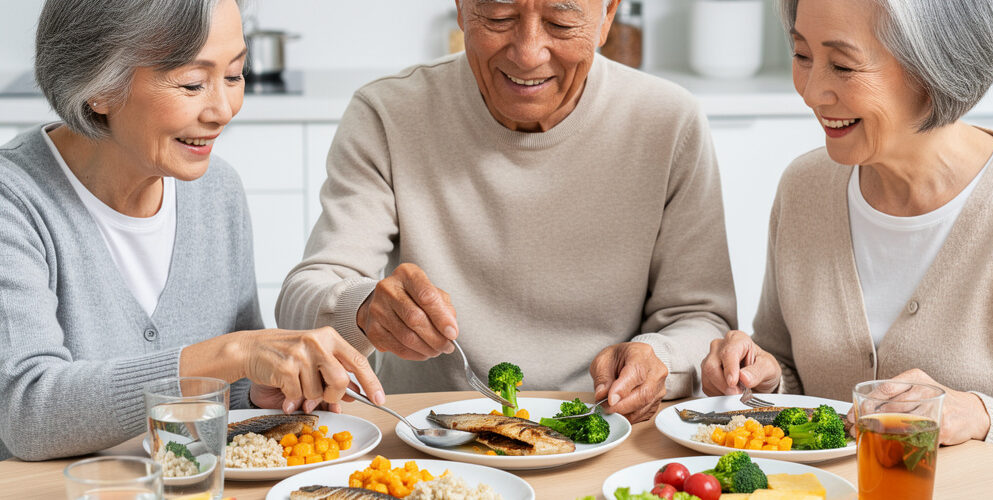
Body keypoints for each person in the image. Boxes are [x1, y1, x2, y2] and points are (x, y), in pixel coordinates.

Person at [277, 0, 736, 423]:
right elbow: (303, 294)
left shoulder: (668, 120)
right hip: (431, 440)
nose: (528, 53)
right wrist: (362, 309)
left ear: (607, 15)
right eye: (498, 16)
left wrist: (659, 357)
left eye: (560, 22)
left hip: (608, 430)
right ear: (460, 8)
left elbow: (702, 319)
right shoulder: (388, 113)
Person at [0, 0, 383, 461]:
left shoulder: (217, 191)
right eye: (192, 83)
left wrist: (258, 392)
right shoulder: (14, 199)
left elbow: (232, 381)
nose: (223, 110)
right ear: (97, 87)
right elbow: (27, 414)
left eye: (236, 75)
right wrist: (236, 352)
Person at [700, 0, 993, 451]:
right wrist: (764, 378)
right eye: (802, 55)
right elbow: (790, 368)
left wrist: (982, 416)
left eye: (843, 66)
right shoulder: (804, 187)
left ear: (934, 70)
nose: (812, 93)